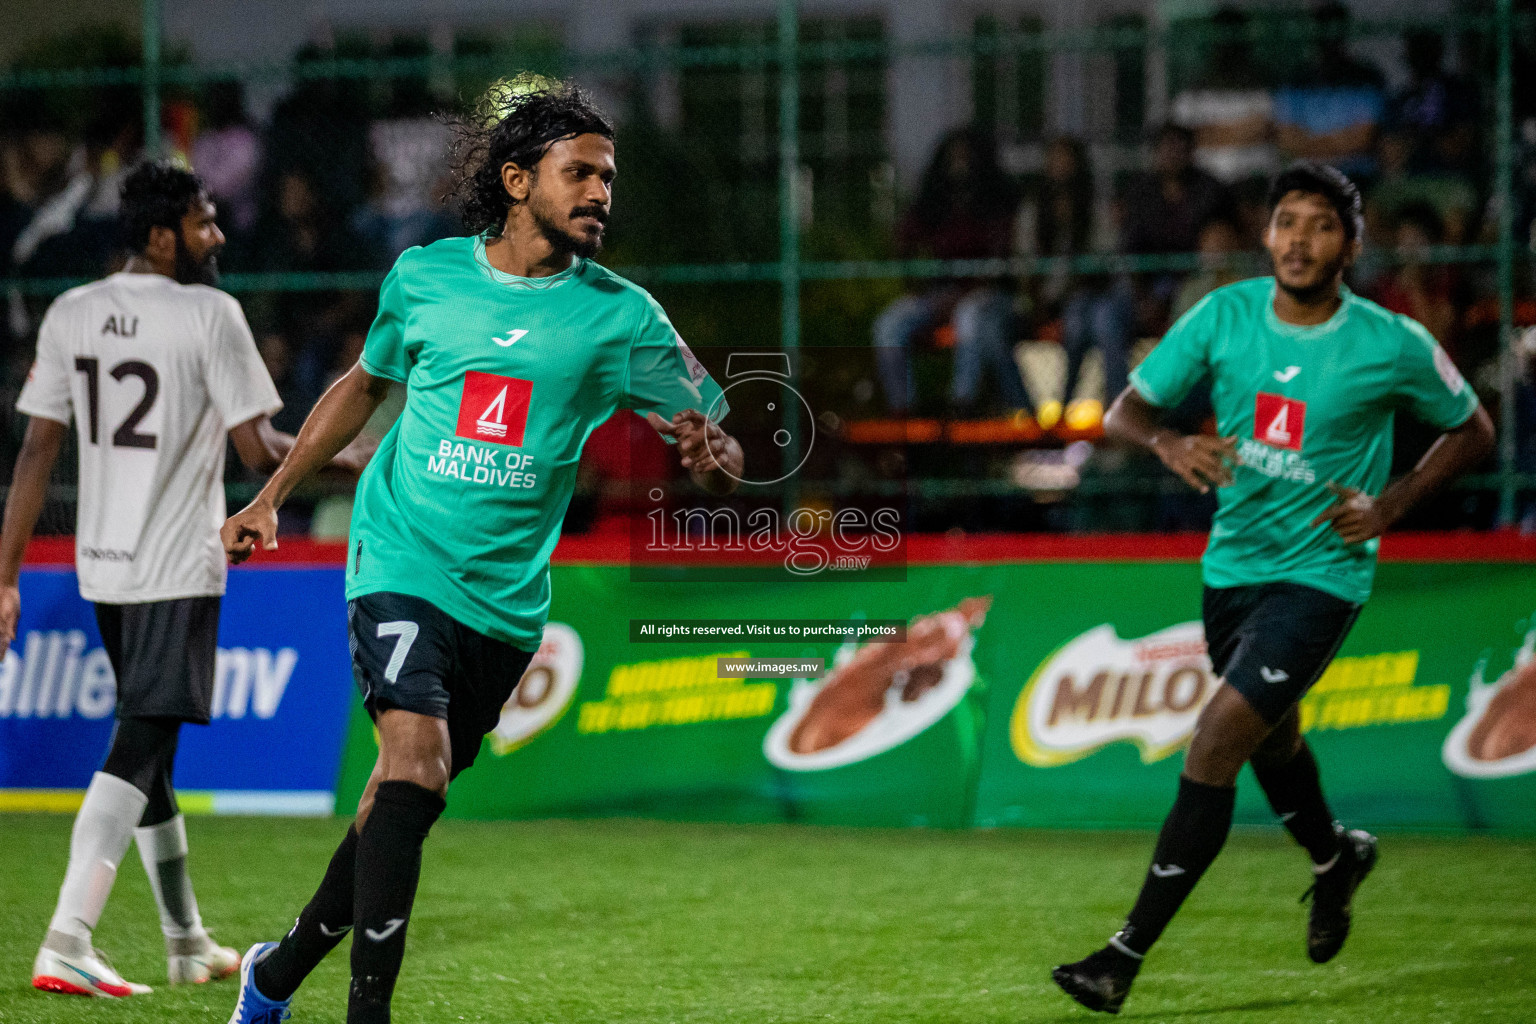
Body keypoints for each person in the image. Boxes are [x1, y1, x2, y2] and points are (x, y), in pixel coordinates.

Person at [220, 74, 743, 1024]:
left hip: (503, 608)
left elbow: (720, 441)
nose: (600, 193)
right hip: (399, 558)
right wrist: (269, 498)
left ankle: (276, 972)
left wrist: (711, 455)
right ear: (516, 180)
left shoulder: (623, 315)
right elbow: (358, 386)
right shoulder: (423, 275)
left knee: (398, 799)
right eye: (578, 172)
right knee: (412, 764)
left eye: (608, 178)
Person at [1051, 161, 1495, 1014]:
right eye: (1287, 222)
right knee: (1273, 743)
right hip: (1233, 570)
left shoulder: (1390, 341)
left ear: (1351, 244)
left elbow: (1473, 428)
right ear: (1267, 235)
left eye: (1321, 225)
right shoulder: (1223, 314)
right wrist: (1171, 444)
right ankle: (1336, 860)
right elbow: (1125, 414)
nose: (1300, 239)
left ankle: (1122, 956)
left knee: (1215, 742)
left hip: (1322, 576)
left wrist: (1393, 502)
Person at [0, 161, 362, 997]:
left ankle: (186, 940)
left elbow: (35, 451)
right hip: (176, 565)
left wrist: (8, 576)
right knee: (140, 743)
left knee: (151, 753)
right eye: (204, 222)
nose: (219, 235)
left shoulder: (71, 312)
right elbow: (258, 449)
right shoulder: (211, 313)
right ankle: (68, 937)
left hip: (104, 566)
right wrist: (355, 460)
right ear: (162, 237)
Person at [872, 127, 1033, 417]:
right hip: (940, 293)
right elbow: (904, 241)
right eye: (952, 157)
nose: (959, 164)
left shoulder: (1000, 200)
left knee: (969, 316)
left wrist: (964, 292)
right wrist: (915, 282)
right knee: (889, 325)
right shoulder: (934, 199)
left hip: (989, 295)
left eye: (965, 156)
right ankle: (903, 409)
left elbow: (1003, 259)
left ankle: (962, 403)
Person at [1273, 3, 1387, 181]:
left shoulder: (1367, 79)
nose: (1329, 41)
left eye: (1335, 32)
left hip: (1356, 178)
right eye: (1323, 31)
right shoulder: (1295, 81)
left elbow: (1363, 139)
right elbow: (1288, 141)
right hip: (1306, 178)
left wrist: (1310, 143)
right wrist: (1339, 140)